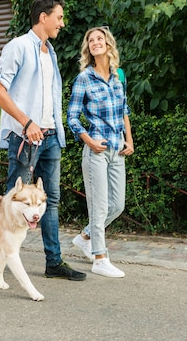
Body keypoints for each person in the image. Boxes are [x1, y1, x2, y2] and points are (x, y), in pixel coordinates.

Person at [0, 0, 86, 281]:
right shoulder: (18, 47)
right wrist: (27, 122)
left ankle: (54, 262)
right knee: (12, 198)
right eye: (59, 17)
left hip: (49, 136)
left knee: (52, 199)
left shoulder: (51, 53)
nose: (63, 23)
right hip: (25, 135)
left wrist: (52, 129)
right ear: (43, 17)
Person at [67, 26, 134, 278]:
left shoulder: (118, 77)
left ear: (108, 44)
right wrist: (89, 142)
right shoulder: (84, 78)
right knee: (98, 207)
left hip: (117, 150)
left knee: (117, 205)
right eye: (91, 40)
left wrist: (129, 140)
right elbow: (72, 118)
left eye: (99, 38)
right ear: (88, 48)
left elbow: (124, 110)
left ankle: (85, 237)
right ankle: (99, 257)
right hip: (96, 150)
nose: (95, 42)